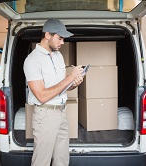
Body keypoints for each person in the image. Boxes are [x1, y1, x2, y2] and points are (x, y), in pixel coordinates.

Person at [23, 18, 84, 166]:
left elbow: (60, 87)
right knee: (41, 161)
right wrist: (70, 76)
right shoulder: (32, 60)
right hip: (46, 116)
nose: (62, 42)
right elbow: (42, 96)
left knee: (62, 159)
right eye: (60, 38)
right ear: (47, 35)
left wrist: (73, 83)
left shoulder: (58, 56)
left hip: (61, 112)